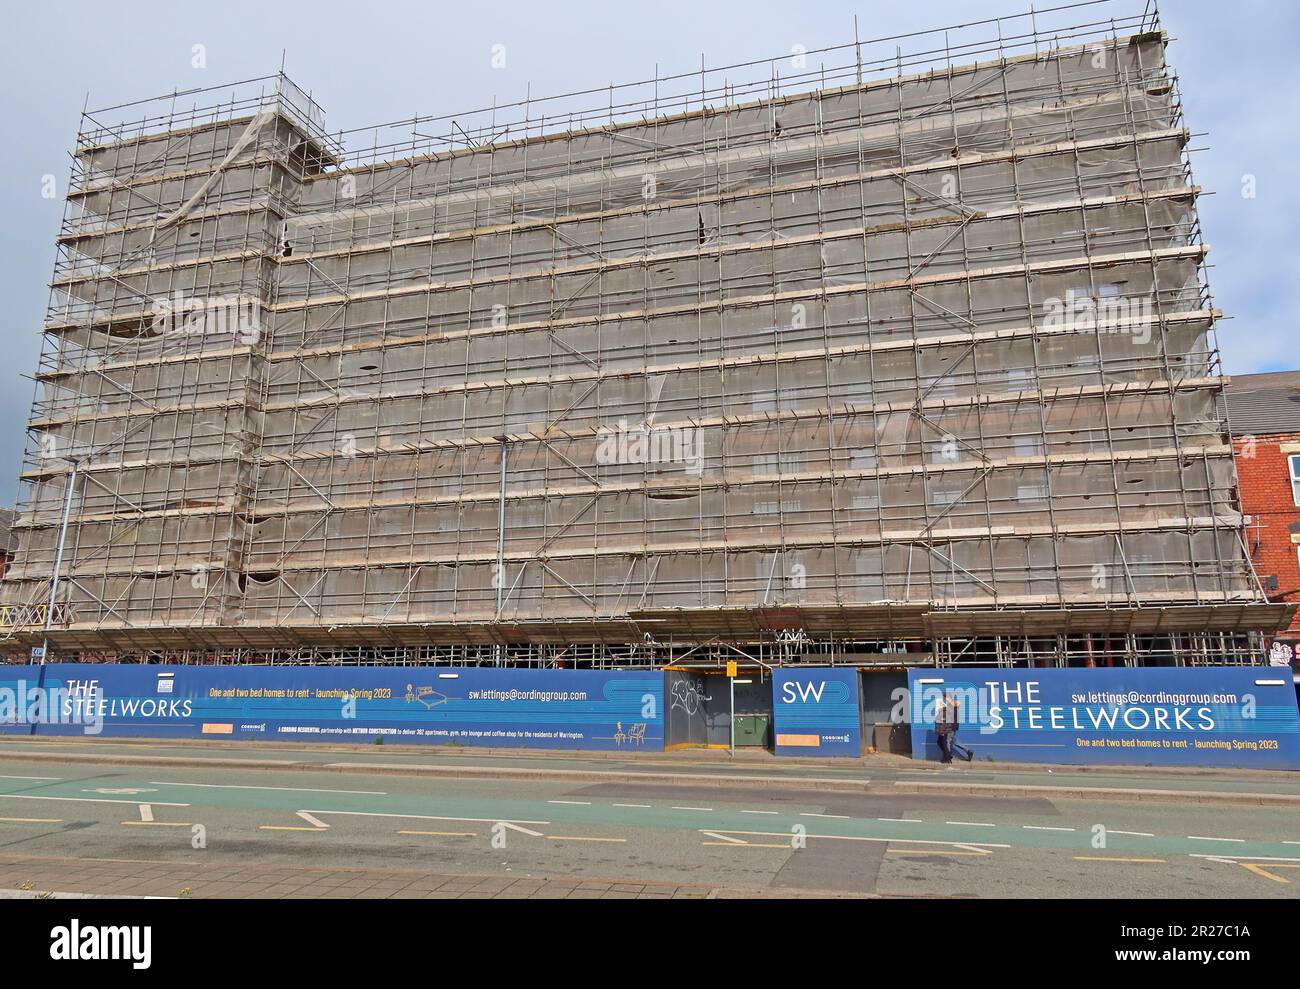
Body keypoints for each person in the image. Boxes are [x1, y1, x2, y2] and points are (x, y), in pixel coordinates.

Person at [934, 691, 973, 764]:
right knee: (953, 740)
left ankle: (948, 758)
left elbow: (957, 704)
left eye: (945, 697)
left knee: (947, 741)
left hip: (951, 726)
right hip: (953, 726)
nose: (944, 698)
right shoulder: (950, 705)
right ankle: (968, 751)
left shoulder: (952, 704)